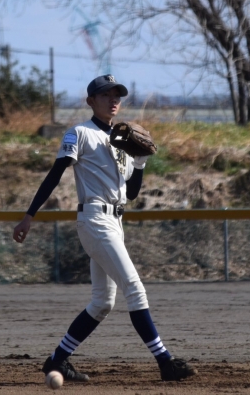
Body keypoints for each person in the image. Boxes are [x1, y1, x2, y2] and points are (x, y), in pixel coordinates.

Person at [13, 74, 197, 383]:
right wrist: (29, 215)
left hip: (116, 221)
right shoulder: (79, 133)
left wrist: (140, 163)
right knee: (134, 288)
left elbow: (132, 193)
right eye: (105, 95)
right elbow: (55, 174)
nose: (113, 100)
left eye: (117, 95)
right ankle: (166, 361)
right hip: (95, 220)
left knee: (102, 303)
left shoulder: (124, 141)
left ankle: (57, 361)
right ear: (91, 101)